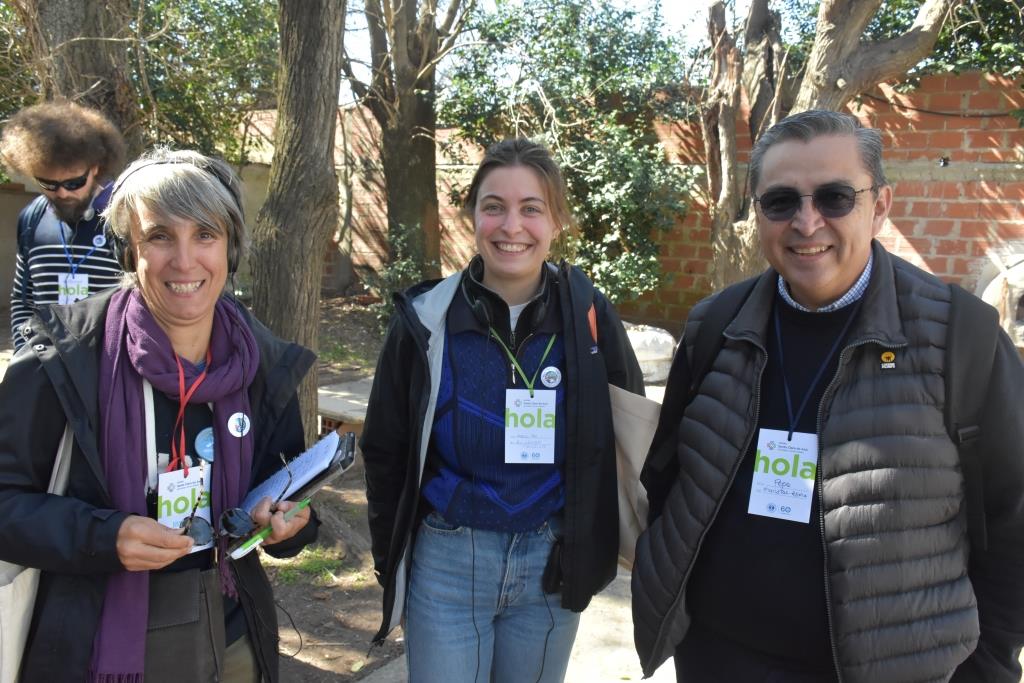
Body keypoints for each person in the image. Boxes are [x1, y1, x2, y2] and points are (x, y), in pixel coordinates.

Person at [631, 109, 1024, 682]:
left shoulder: (963, 339)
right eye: (781, 201)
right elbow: (669, 478)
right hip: (718, 658)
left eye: (835, 198)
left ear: (879, 206)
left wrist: (986, 665)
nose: (806, 222)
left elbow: (1013, 518)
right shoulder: (716, 324)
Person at [0, 149, 319, 682]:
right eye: (160, 236)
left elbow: (285, 494)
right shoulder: (60, 359)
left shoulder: (262, 363)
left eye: (205, 235)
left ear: (230, 248)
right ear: (129, 250)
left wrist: (292, 526)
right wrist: (104, 537)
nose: (185, 261)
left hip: (232, 636)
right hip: (95, 644)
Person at [361, 137, 644, 682]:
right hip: (447, 563)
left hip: (550, 567)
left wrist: (592, 549)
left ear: (556, 221)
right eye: (494, 207)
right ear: (472, 216)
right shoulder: (426, 319)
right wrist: (389, 562)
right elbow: (385, 450)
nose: (512, 226)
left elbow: (624, 441)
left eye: (531, 208)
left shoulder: (588, 316)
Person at [0, 100, 127, 350]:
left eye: (73, 183)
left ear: (95, 168)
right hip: (47, 364)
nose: (62, 193)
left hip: (111, 363)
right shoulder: (32, 217)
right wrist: (25, 355)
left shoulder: (125, 215)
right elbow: (23, 298)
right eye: (48, 184)